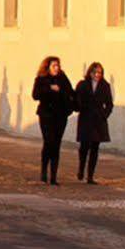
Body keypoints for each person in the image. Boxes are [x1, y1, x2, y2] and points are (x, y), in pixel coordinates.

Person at [30, 56, 75, 184]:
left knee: (56, 144)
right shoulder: (41, 79)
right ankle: (44, 172)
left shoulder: (63, 79)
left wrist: (63, 95)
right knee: (48, 142)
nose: (56, 68)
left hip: (60, 115)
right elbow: (35, 95)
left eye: (58, 65)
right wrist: (49, 89)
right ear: (48, 67)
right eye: (54, 65)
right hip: (46, 115)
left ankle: (53, 176)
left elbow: (70, 93)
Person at [75, 61, 115, 183]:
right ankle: (81, 168)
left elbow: (109, 104)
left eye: (100, 72)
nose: (97, 75)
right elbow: (76, 98)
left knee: (95, 148)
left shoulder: (105, 86)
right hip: (86, 119)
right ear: (90, 72)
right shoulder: (83, 84)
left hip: (98, 121)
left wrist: (104, 115)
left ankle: (90, 176)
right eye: (95, 72)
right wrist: (79, 107)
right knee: (84, 147)